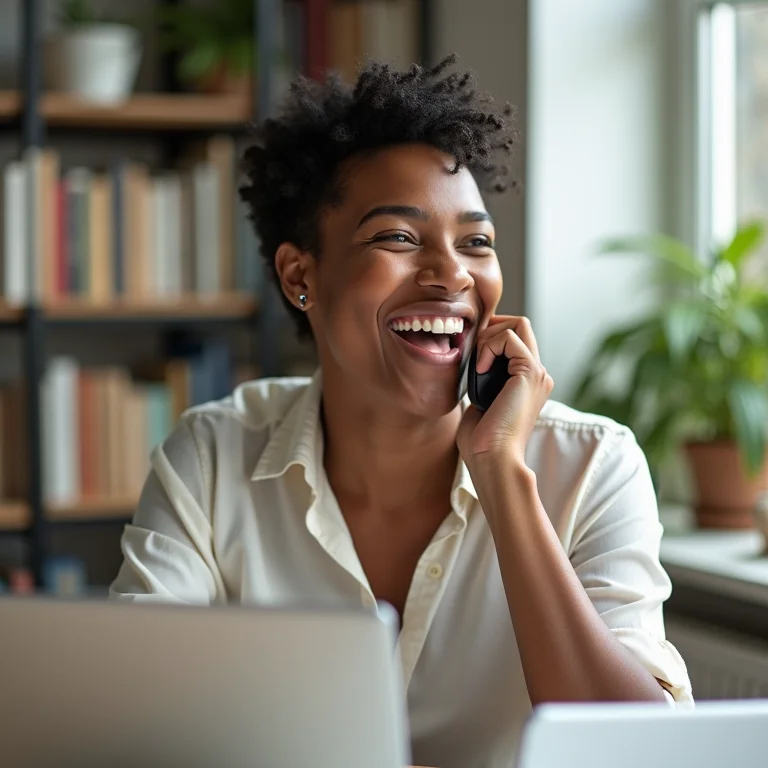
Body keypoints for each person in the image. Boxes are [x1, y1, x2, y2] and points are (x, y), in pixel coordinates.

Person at [111, 55, 693, 767]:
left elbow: (639, 755)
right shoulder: (211, 456)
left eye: (475, 242)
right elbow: (135, 724)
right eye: (398, 237)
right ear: (301, 276)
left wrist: (503, 477)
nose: (452, 274)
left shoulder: (594, 464)